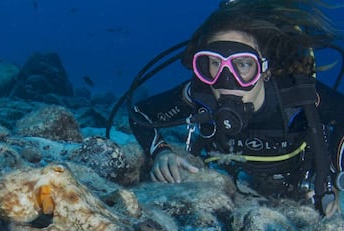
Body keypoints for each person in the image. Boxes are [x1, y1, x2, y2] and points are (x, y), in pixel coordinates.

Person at [129, 0, 344, 216]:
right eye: (213, 63)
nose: (225, 81)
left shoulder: (297, 95)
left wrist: (334, 178)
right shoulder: (200, 94)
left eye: (243, 64)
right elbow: (140, 114)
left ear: (266, 69)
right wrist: (161, 152)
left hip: (297, 184)